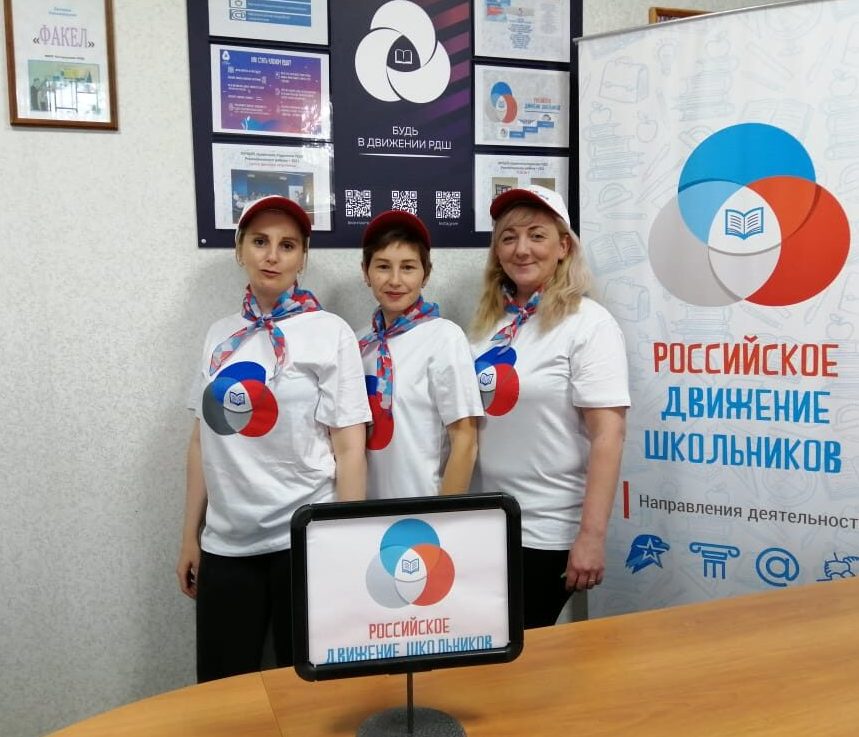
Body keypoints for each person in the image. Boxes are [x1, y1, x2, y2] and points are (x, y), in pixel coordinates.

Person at [176, 195, 370, 682]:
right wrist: (190, 537)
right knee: (223, 690)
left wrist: (347, 543)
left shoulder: (329, 332)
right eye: (260, 241)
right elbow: (202, 440)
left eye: (287, 245)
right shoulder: (220, 335)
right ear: (239, 249)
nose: (272, 255)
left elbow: (350, 448)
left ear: (303, 257)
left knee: (306, 690)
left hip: (304, 538)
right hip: (227, 543)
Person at [469, 185, 629, 629]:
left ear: (563, 247)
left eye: (537, 235)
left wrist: (591, 538)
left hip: (547, 531)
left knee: (520, 653)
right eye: (509, 237)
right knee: (486, 650)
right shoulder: (489, 325)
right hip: (488, 525)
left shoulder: (589, 324)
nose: (521, 249)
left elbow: (609, 435)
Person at [358, 210, 482, 499]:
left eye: (408, 267)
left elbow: (465, 441)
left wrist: (443, 517)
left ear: (426, 274)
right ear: (365, 272)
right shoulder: (359, 343)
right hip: (366, 510)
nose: (395, 280)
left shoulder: (444, 337)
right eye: (383, 266)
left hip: (423, 507)